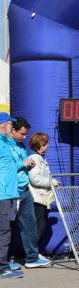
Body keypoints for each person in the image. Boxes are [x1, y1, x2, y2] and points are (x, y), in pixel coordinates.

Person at [10, 117, 50, 268]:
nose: (25, 137)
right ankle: (7, 261)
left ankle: (32, 259)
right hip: (12, 192)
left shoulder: (21, 147)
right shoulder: (5, 146)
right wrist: (24, 164)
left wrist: (26, 165)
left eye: (26, 134)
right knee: (9, 228)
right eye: (22, 133)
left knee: (30, 226)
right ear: (12, 130)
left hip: (25, 191)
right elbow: (6, 168)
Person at [0, 113, 24, 278]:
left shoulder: (6, 142)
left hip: (10, 193)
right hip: (1, 194)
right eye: (10, 124)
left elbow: (10, 167)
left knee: (5, 231)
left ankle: (5, 263)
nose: (12, 127)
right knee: (3, 231)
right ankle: (2, 268)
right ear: (3, 125)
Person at [27, 132, 60, 250]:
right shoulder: (35, 158)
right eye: (45, 144)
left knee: (40, 226)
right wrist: (52, 182)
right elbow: (35, 179)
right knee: (38, 227)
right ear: (39, 144)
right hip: (37, 198)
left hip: (41, 198)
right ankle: (33, 254)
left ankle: (35, 253)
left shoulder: (40, 158)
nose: (47, 146)